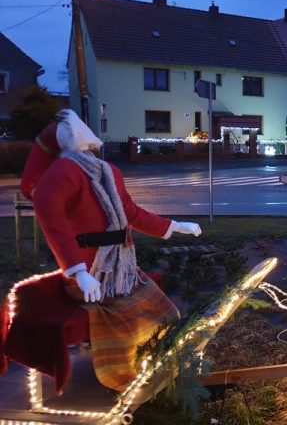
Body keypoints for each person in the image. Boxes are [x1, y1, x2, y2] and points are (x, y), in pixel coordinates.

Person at [1, 109, 202, 392]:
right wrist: (78, 272)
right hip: (90, 272)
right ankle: (126, 378)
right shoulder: (63, 171)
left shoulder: (108, 172)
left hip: (122, 269)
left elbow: (131, 211)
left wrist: (173, 226)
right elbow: (50, 216)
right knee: (126, 316)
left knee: (164, 310)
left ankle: (164, 361)